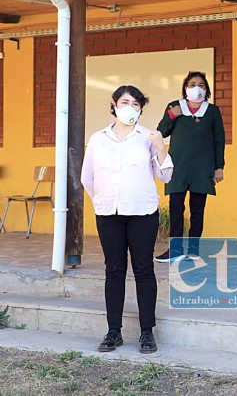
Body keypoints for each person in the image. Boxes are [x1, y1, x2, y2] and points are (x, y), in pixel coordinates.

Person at [81, 85, 173, 353]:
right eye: (125, 102)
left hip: (142, 213)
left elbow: (166, 176)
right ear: (114, 104)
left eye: (136, 104)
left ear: (141, 108)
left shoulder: (148, 137)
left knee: (144, 269)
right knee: (114, 270)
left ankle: (147, 332)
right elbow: (88, 177)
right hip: (109, 214)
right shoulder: (98, 139)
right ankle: (113, 332)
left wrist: (161, 148)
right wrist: (101, 201)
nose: (130, 108)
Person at [154, 71, 225, 262]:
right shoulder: (175, 107)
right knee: (176, 208)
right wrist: (172, 115)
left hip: (202, 169)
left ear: (207, 89)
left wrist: (219, 167)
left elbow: (219, 140)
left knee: (197, 209)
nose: (197, 88)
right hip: (178, 167)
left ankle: (193, 250)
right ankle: (175, 250)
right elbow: (160, 132)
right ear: (185, 87)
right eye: (192, 84)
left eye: (201, 85)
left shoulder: (212, 111)